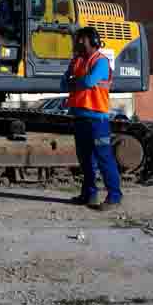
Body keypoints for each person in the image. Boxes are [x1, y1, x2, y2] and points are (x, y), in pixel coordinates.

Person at [60, 27, 122, 210]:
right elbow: (63, 83)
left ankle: (115, 196)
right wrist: (74, 82)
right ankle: (89, 194)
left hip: (97, 118)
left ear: (92, 41)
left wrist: (74, 83)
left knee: (104, 158)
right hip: (80, 116)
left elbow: (88, 82)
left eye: (81, 40)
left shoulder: (100, 61)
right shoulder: (76, 61)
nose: (78, 43)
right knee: (85, 159)